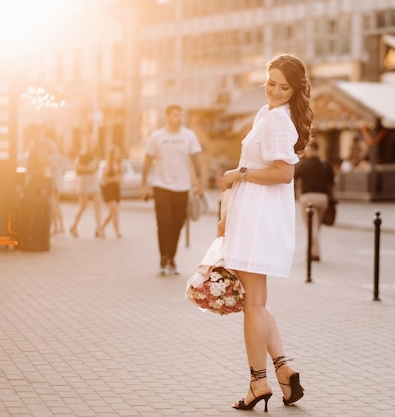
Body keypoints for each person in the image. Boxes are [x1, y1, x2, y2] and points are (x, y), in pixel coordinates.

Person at [219, 53, 312, 411]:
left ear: (295, 90)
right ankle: (284, 371)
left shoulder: (276, 119)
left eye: (283, 87)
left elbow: (283, 173)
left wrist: (239, 174)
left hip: (260, 217)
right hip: (255, 215)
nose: (274, 91)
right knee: (256, 301)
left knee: (253, 303)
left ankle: (258, 382)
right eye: (271, 83)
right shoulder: (268, 114)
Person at [140, 103, 204, 276]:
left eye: (181, 115)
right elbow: (147, 162)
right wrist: (144, 185)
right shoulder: (157, 137)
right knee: (164, 222)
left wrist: (200, 183)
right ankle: (163, 257)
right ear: (167, 117)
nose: (179, 118)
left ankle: (172, 256)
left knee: (177, 223)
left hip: (182, 187)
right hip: (161, 185)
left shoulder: (189, 136)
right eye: (176, 115)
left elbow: (197, 161)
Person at [294, 140, 334, 261]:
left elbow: (293, 176)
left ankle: (315, 253)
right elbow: (332, 182)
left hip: (308, 197)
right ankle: (311, 249)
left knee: (312, 226)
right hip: (323, 198)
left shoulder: (304, 164)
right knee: (316, 226)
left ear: (309, 149)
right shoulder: (325, 164)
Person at [69, 137, 103, 238]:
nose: (93, 145)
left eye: (94, 143)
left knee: (98, 206)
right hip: (85, 182)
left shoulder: (96, 155)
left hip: (94, 182)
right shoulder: (83, 154)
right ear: (87, 144)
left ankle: (99, 229)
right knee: (83, 206)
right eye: (91, 142)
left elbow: (95, 168)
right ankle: (74, 226)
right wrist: (87, 168)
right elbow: (77, 168)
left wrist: (91, 169)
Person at [99, 144, 123, 238]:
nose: (118, 154)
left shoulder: (119, 165)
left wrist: (119, 179)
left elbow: (121, 178)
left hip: (116, 189)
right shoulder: (108, 165)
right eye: (117, 153)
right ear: (112, 154)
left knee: (112, 213)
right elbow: (103, 178)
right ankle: (117, 232)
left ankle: (101, 228)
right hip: (109, 190)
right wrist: (114, 179)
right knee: (114, 212)